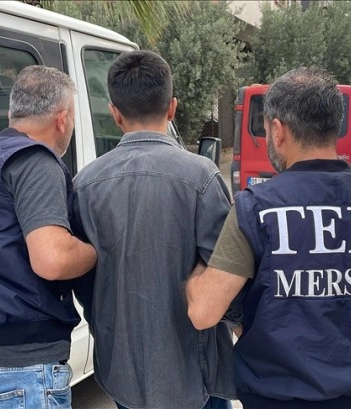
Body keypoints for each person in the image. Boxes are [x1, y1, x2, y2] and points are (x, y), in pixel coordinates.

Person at [186, 67, 351, 409]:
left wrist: (198, 271)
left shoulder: (256, 209)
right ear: (334, 126)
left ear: (278, 130)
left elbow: (203, 313)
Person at [72, 50, 235, 409]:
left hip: (122, 371)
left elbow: (84, 281)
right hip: (194, 374)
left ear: (115, 113)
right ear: (172, 107)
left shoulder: (84, 185)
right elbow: (228, 278)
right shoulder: (202, 177)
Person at [0, 65, 97, 409]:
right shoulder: (34, 160)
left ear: (12, 114)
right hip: (16, 368)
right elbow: (52, 259)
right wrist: (96, 251)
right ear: (62, 119)